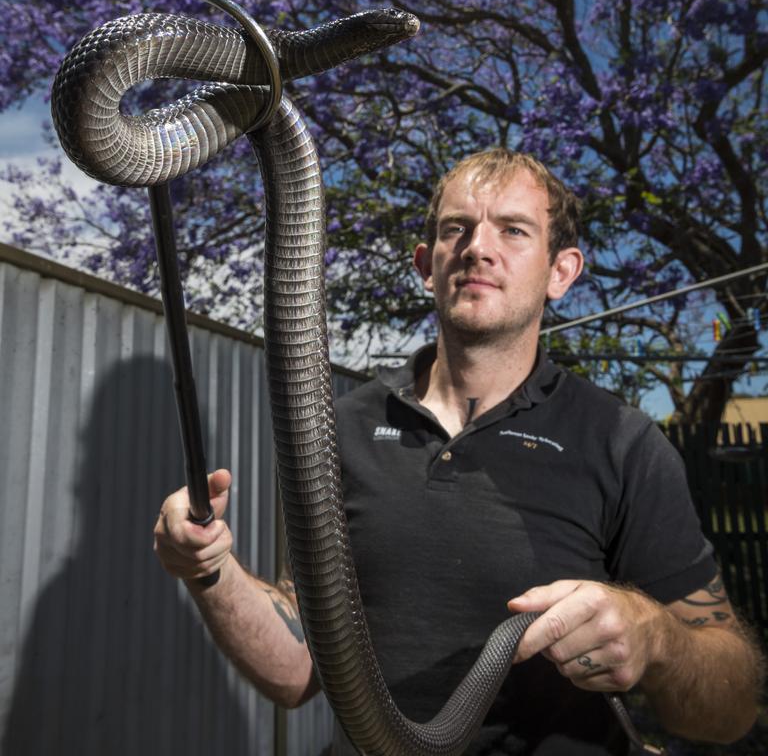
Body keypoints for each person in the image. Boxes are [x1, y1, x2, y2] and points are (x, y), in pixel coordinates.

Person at [154, 148, 763, 754]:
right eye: (457, 229)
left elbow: (731, 709)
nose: (478, 247)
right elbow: (299, 667)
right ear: (427, 263)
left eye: (514, 230)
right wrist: (208, 569)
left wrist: (655, 638)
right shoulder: (337, 427)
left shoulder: (622, 442)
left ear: (562, 272)